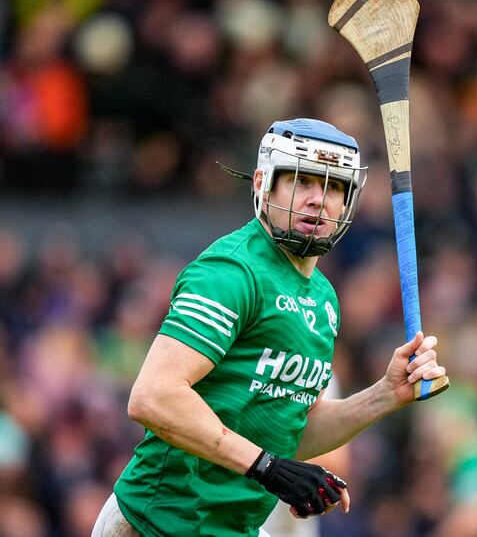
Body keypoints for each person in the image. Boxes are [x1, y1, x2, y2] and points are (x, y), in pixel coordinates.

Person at [92, 118, 447, 536]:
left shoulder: (323, 297)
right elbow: (153, 397)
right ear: (263, 183)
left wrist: (386, 395)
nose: (319, 200)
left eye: (334, 187)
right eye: (302, 181)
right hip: (159, 523)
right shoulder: (231, 271)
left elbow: (290, 429)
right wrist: (269, 468)